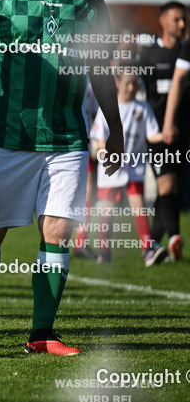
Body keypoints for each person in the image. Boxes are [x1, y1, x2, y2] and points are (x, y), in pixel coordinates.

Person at [0, 0, 123, 355]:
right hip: (5, 134)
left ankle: (42, 333)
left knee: (58, 231)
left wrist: (115, 128)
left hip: (67, 136)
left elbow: (100, 69)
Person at [89, 73, 165, 265]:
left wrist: (165, 136)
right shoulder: (108, 109)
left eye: (135, 84)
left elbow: (152, 134)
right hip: (111, 169)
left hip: (133, 168)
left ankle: (147, 250)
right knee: (107, 210)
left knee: (139, 207)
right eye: (128, 84)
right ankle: (104, 252)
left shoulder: (143, 108)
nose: (131, 88)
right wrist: (109, 154)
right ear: (117, 83)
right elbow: (99, 138)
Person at [142, 1, 188, 260]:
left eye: (184, 20)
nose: (181, 25)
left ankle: (153, 245)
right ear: (162, 20)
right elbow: (130, 89)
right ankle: (175, 239)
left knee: (167, 191)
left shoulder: (187, 53)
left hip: (184, 135)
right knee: (167, 185)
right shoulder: (148, 56)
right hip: (157, 135)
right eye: (176, 19)